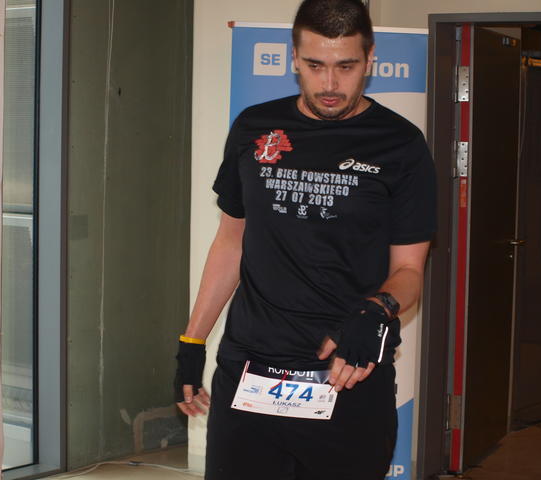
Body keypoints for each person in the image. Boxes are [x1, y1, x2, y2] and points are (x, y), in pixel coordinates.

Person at [174, 0, 437, 478]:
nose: (330, 84)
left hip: (346, 372)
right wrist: (193, 341)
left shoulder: (400, 144)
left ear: (369, 59)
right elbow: (231, 242)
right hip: (250, 371)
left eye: (346, 67)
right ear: (294, 58)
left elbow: (409, 271)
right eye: (315, 66)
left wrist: (376, 309)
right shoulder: (254, 127)